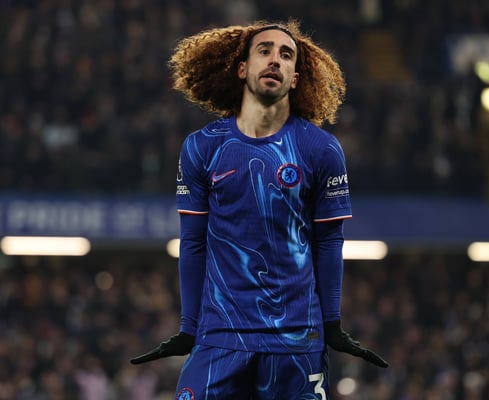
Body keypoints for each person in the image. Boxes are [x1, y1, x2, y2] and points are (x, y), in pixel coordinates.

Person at [130, 19, 388, 399]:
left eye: (286, 55)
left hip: (296, 341)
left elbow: (330, 242)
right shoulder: (202, 147)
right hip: (221, 336)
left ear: (295, 78)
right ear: (242, 69)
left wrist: (331, 324)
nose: (275, 60)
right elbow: (193, 242)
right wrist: (189, 327)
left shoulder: (321, 149)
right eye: (264, 51)